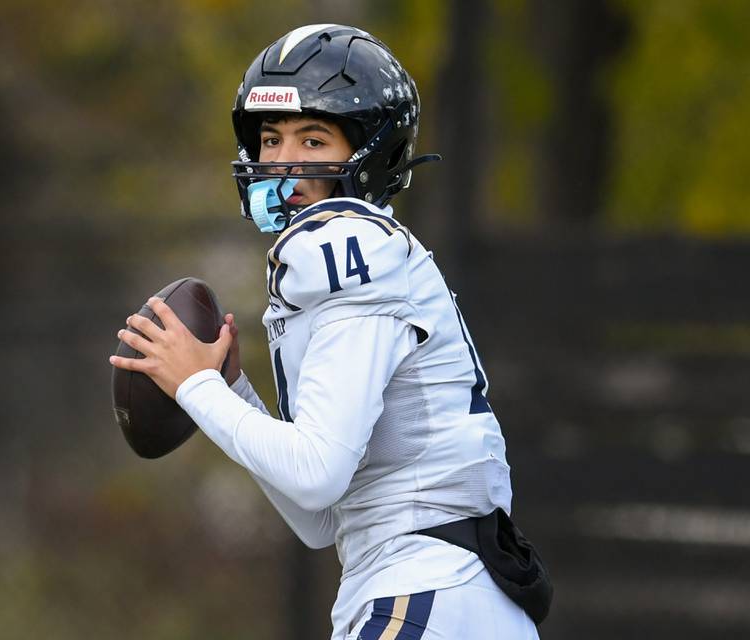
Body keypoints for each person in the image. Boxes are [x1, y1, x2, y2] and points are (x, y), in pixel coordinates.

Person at [110, 24, 547, 639]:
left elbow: (317, 473)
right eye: (270, 139)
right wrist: (230, 390)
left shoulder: (344, 244)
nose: (282, 161)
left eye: (313, 140)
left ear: (371, 152)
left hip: (426, 589)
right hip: (444, 590)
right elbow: (319, 516)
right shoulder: (355, 255)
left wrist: (194, 388)